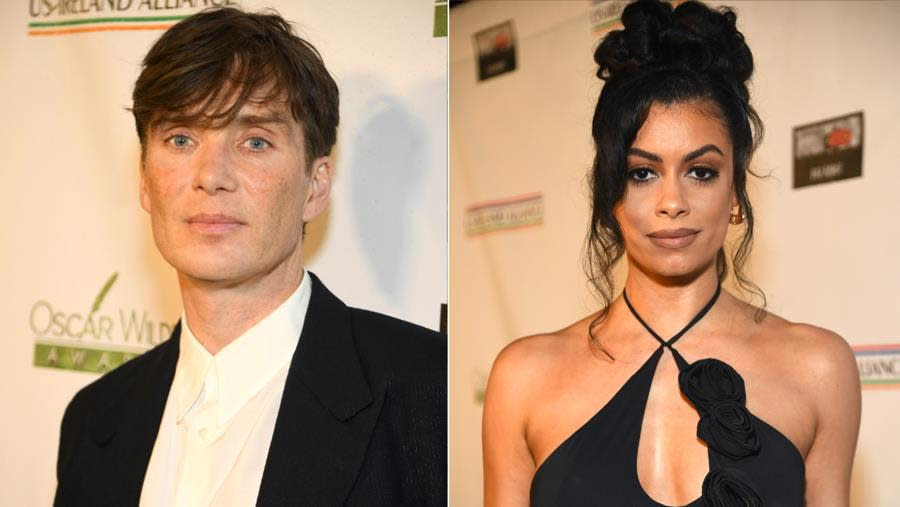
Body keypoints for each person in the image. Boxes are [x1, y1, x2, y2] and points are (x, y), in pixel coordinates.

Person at [54, 7, 446, 506]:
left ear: (316, 185)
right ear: (145, 180)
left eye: (255, 141)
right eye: (181, 139)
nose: (211, 175)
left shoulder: (429, 395)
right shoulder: (95, 417)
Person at [482, 1, 860, 505]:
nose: (673, 203)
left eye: (700, 171)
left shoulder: (820, 368)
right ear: (609, 193)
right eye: (642, 173)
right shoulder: (522, 378)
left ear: (735, 191)